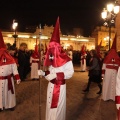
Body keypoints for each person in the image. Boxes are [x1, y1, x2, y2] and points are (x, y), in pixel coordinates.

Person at [38, 17, 74, 120]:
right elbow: (51, 70)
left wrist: (57, 75)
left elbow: (70, 73)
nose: (51, 51)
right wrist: (44, 73)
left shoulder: (66, 59)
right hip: (51, 85)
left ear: (58, 48)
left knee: (57, 107)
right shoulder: (51, 58)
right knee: (49, 106)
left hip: (59, 86)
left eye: (53, 48)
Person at [0, 30, 21, 112]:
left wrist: (17, 78)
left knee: (9, 93)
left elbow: (14, 70)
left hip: (8, 79)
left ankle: (10, 105)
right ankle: (0, 106)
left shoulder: (11, 59)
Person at [102, 34, 120, 101]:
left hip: (109, 72)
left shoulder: (107, 57)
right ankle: (111, 97)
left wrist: (103, 74)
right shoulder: (117, 57)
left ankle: (107, 97)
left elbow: (103, 66)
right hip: (113, 72)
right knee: (112, 84)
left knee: (109, 84)